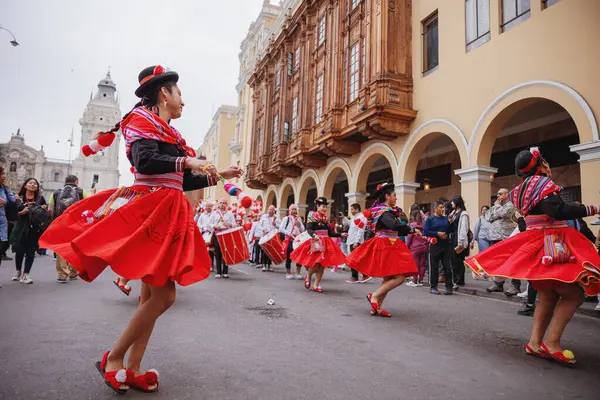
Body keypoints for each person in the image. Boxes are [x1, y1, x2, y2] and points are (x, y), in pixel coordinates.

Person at [39, 65, 243, 393]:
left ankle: (131, 367)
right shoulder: (141, 123)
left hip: (169, 209)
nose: (183, 102)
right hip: (152, 210)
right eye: (180, 94)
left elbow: (181, 178)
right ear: (165, 93)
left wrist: (218, 175)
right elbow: (146, 162)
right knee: (164, 296)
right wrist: (187, 161)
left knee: (152, 294)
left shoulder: (169, 133)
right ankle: (114, 358)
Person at [465, 147, 600, 366]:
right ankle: (552, 342)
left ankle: (535, 343)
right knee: (574, 295)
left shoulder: (519, 191)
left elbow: (526, 217)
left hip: (534, 243)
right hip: (552, 244)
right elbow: (559, 211)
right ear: (540, 165)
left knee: (547, 295)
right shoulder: (543, 185)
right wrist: (593, 208)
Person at [346, 183, 419, 317]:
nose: (396, 198)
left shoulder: (385, 210)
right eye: (394, 195)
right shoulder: (384, 211)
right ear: (387, 196)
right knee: (400, 277)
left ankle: (377, 306)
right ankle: (374, 296)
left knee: (388, 277)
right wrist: (412, 230)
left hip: (390, 243)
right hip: (386, 244)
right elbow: (393, 225)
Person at [290, 197, 346, 292]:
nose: (324, 209)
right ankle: (308, 276)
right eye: (323, 206)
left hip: (326, 243)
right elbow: (309, 229)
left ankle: (316, 285)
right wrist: (314, 235)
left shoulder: (325, 218)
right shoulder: (312, 216)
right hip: (316, 242)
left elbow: (329, 233)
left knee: (322, 265)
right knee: (316, 264)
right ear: (318, 206)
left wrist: (340, 234)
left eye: (325, 207)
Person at [49, 174, 88, 283]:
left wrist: (52, 222)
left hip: (60, 223)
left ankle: (62, 274)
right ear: (76, 182)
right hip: (76, 224)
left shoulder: (56, 192)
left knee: (61, 248)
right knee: (74, 247)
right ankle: (73, 272)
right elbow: (90, 206)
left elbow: (50, 209)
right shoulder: (81, 192)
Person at [10, 178, 48, 284]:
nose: (33, 185)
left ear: (37, 187)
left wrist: (44, 209)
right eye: (30, 183)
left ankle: (26, 274)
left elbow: (45, 214)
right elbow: (12, 213)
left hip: (34, 229)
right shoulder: (19, 197)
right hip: (21, 227)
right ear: (25, 185)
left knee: (31, 251)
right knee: (19, 250)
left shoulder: (40, 199)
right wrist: (21, 213)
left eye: (35, 184)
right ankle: (18, 271)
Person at [485, 188, 520, 296]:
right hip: (495, 237)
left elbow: (504, 213)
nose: (498, 196)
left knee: (512, 261)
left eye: (500, 194)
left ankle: (515, 285)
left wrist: (496, 207)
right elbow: (487, 217)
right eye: (497, 193)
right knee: (497, 262)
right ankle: (498, 284)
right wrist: (496, 208)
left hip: (507, 237)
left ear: (507, 194)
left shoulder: (511, 205)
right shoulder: (498, 205)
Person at [423, 200, 454, 295]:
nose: (442, 209)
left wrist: (451, 223)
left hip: (445, 245)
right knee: (434, 267)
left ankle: (449, 287)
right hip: (435, 245)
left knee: (447, 267)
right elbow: (426, 232)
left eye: (443, 207)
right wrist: (437, 234)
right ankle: (433, 286)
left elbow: (451, 230)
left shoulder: (446, 219)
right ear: (435, 208)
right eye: (440, 207)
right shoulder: (430, 219)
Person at [210, 198, 237, 278]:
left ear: (226, 204)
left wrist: (230, 225)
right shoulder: (214, 213)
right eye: (220, 203)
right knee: (218, 253)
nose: (222, 204)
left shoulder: (230, 213)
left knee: (226, 253)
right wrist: (214, 226)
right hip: (217, 234)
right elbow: (209, 223)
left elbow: (234, 224)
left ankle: (225, 272)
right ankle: (218, 272)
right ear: (219, 204)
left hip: (226, 234)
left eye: (223, 203)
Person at [448, 195, 470, 289]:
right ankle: (455, 279)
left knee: (459, 260)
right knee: (453, 259)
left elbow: (464, 228)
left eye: (453, 201)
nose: (451, 203)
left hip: (459, 238)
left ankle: (459, 280)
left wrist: (461, 241)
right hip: (452, 238)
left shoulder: (463, 214)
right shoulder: (453, 213)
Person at [279, 204, 305, 280]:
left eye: (295, 209)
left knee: (299, 257)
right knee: (288, 257)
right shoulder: (286, 219)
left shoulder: (299, 219)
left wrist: (299, 225)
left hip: (297, 240)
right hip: (289, 240)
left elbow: (303, 230)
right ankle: (288, 273)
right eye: (292, 209)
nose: (294, 211)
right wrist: (288, 233)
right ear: (289, 211)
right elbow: (281, 229)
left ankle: (298, 273)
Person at [346, 203, 370, 283]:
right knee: (357, 260)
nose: (351, 211)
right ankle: (364, 275)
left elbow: (360, 231)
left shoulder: (361, 217)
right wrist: (344, 218)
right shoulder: (355, 218)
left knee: (354, 260)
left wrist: (356, 242)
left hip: (356, 242)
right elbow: (350, 224)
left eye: (352, 209)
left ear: (357, 209)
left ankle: (355, 277)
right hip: (352, 240)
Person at [406, 208, 428, 287]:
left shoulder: (412, 225)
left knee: (415, 264)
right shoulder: (424, 225)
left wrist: (406, 247)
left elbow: (409, 238)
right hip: (424, 246)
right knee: (422, 264)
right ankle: (420, 280)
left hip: (415, 248)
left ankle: (414, 280)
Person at [256, 205, 281, 271]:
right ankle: (264, 265)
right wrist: (263, 229)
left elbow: (280, 227)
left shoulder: (276, 217)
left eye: (272, 210)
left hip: (272, 236)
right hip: (265, 236)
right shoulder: (264, 217)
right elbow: (259, 226)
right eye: (269, 209)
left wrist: (275, 224)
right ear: (268, 210)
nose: (270, 211)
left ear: (274, 211)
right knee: (265, 251)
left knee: (271, 251)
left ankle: (269, 266)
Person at [0, 167, 16, 267]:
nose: (4, 176)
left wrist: (17, 199)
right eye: (2, 174)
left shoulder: (4, 188)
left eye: (4, 174)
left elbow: (13, 202)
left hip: (2, 224)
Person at [198, 199, 216, 271]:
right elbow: (199, 223)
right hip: (204, 233)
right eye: (207, 206)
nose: (208, 207)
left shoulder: (214, 214)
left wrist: (212, 228)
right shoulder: (202, 215)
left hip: (211, 234)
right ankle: (204, 264)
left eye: (209, 206)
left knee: (211, 250)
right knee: (204, 250)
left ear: (211, 207)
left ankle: (211, 265)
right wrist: (202, 227)